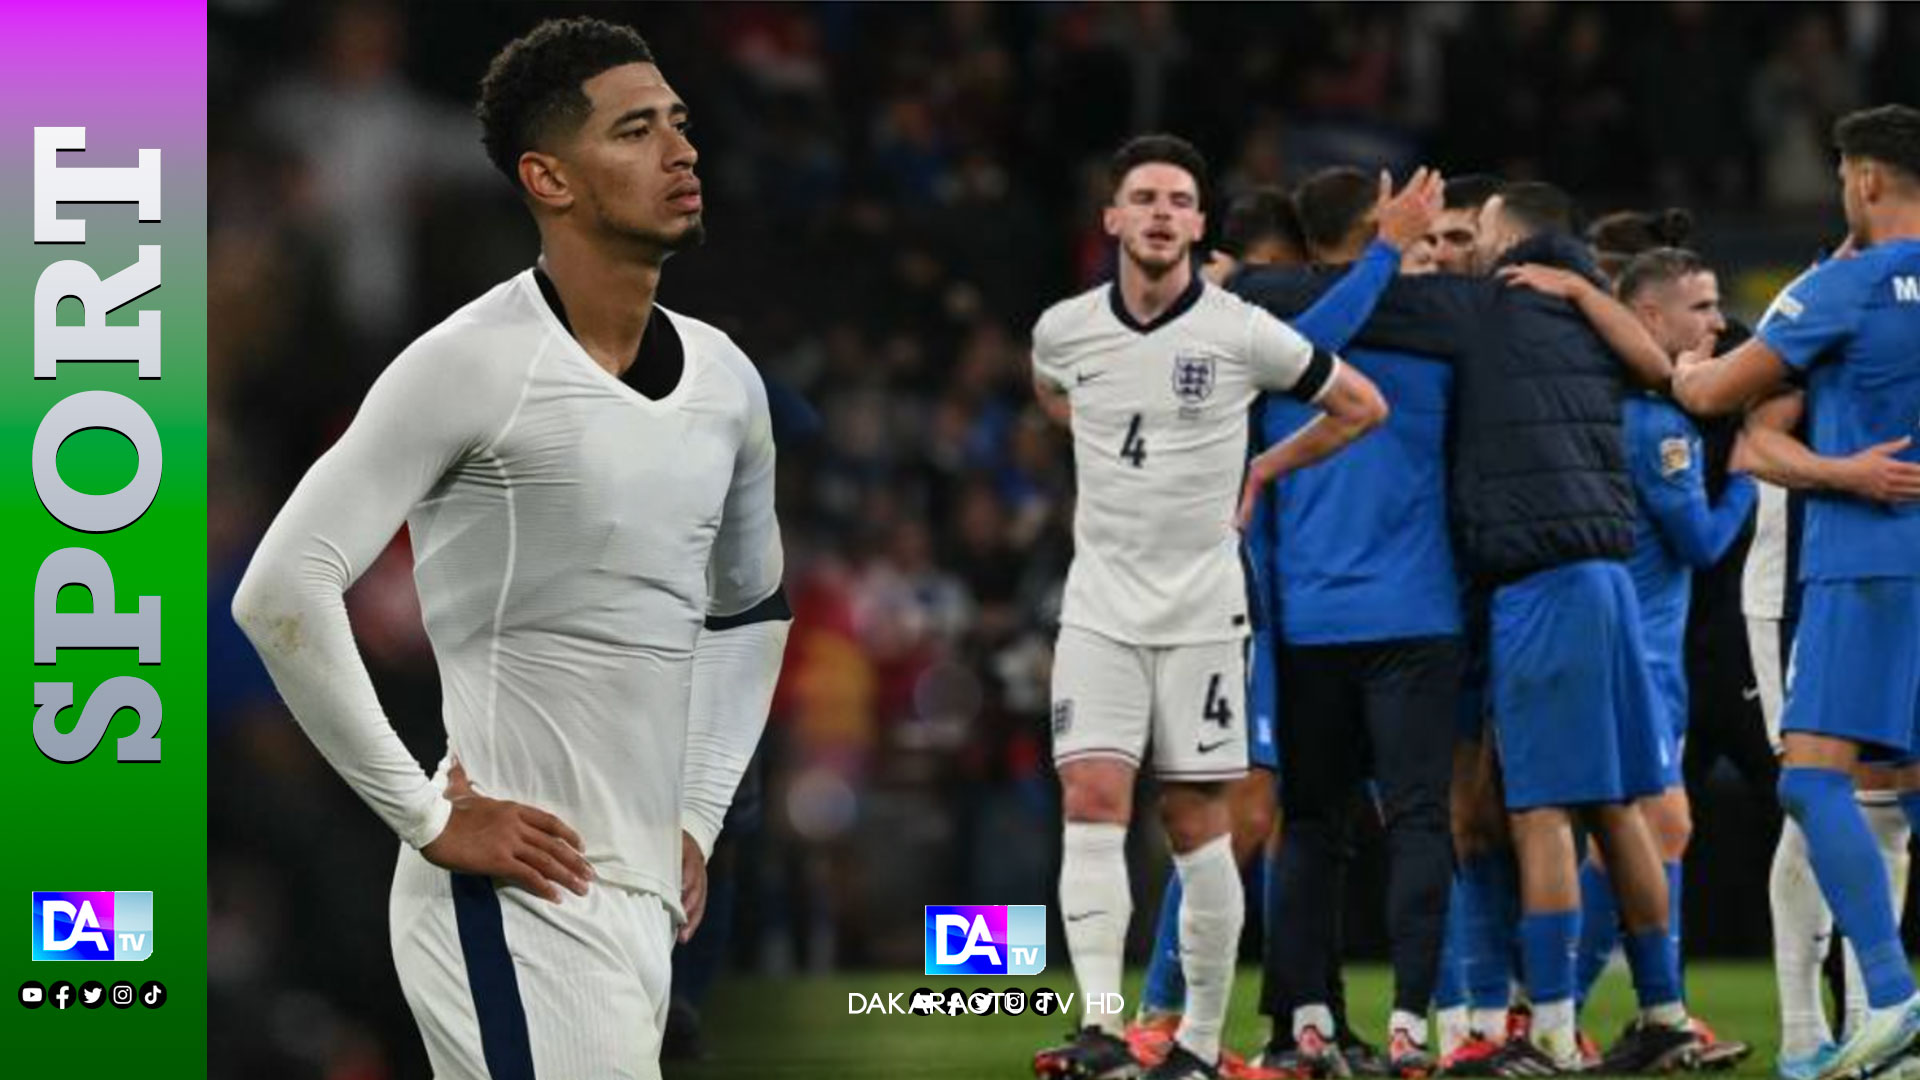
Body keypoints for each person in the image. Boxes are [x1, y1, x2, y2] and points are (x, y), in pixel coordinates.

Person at [232, 19, 792, 1079]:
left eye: (678, 123)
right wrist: (425, 812)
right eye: (635, 131)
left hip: (640, 906)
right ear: (549, 177)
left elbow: (752, 611)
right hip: (513, 902)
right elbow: (280, 589)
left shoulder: (728, 384)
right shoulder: (472, 365)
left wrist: (698, 817)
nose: (682, 151)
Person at [1240, 181, 1696, 1076]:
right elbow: (1663, 370)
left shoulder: (1354, 330)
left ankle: (1434, 1023)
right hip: (1457, 606)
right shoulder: (1492, 325)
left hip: (1434, 606)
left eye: (1467, 239)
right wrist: (1583, 291)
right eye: (1432, 240)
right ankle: (1442, 1021)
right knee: (1462, 820)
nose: (1451, 255)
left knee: (1353, 823)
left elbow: (1275, 307)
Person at [1029, 134, 1388, 1080]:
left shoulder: (1240, 332)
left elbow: (1361, 405)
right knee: (1092, 801)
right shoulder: (1065, 329)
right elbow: (1051, 391)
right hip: (1100, 607)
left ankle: (1195, 1044)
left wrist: (1264, 467)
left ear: (1196, 223)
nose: (1159, 213)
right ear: (1112, 218)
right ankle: (1103, 1028)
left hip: (1201, 616)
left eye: (1179, 201)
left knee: (1196, 824)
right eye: (1142, 196)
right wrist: (1104, 444)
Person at [1672, 103, 1920, 1080]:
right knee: (1903, 790)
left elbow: (1714, 396)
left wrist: (1688, 366)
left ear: (1862, 181)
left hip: (1869, 560)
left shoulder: (1841, 285)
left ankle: (1895, 997)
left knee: (1812, 779)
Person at [1243, 166, 1458, 1080]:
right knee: (1414, 821)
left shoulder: (1268, 340)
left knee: (1311, 827)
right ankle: (1411, 1019)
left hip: (1313, 623)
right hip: (1413, 619)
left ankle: (1306, 1025)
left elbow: (1301, 344)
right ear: (1374, 228)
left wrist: (1382, 254)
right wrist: (1393, 250)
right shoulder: (1434, 338)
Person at [1571, 248, 1755, 1067]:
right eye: (1702, 307)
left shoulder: (1604, 407)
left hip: (1617, 651)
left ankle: (1625, 1013)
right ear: (1649, 319)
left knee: (1634, 833)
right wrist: (1747, 471)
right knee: (1656, 830)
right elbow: (1703, 542)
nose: (1717, 323)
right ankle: (1577, 1012)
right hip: (1639, 660)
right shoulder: (1659, 424)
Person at [1736, 385, 1918, 1080]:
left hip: (1884, 571)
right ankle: (1804, 1037)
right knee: (1815, 797)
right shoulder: (1823, 303)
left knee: (1880, 807)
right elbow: (1748, 442)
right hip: (1803, 586)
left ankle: (1872, 1025)